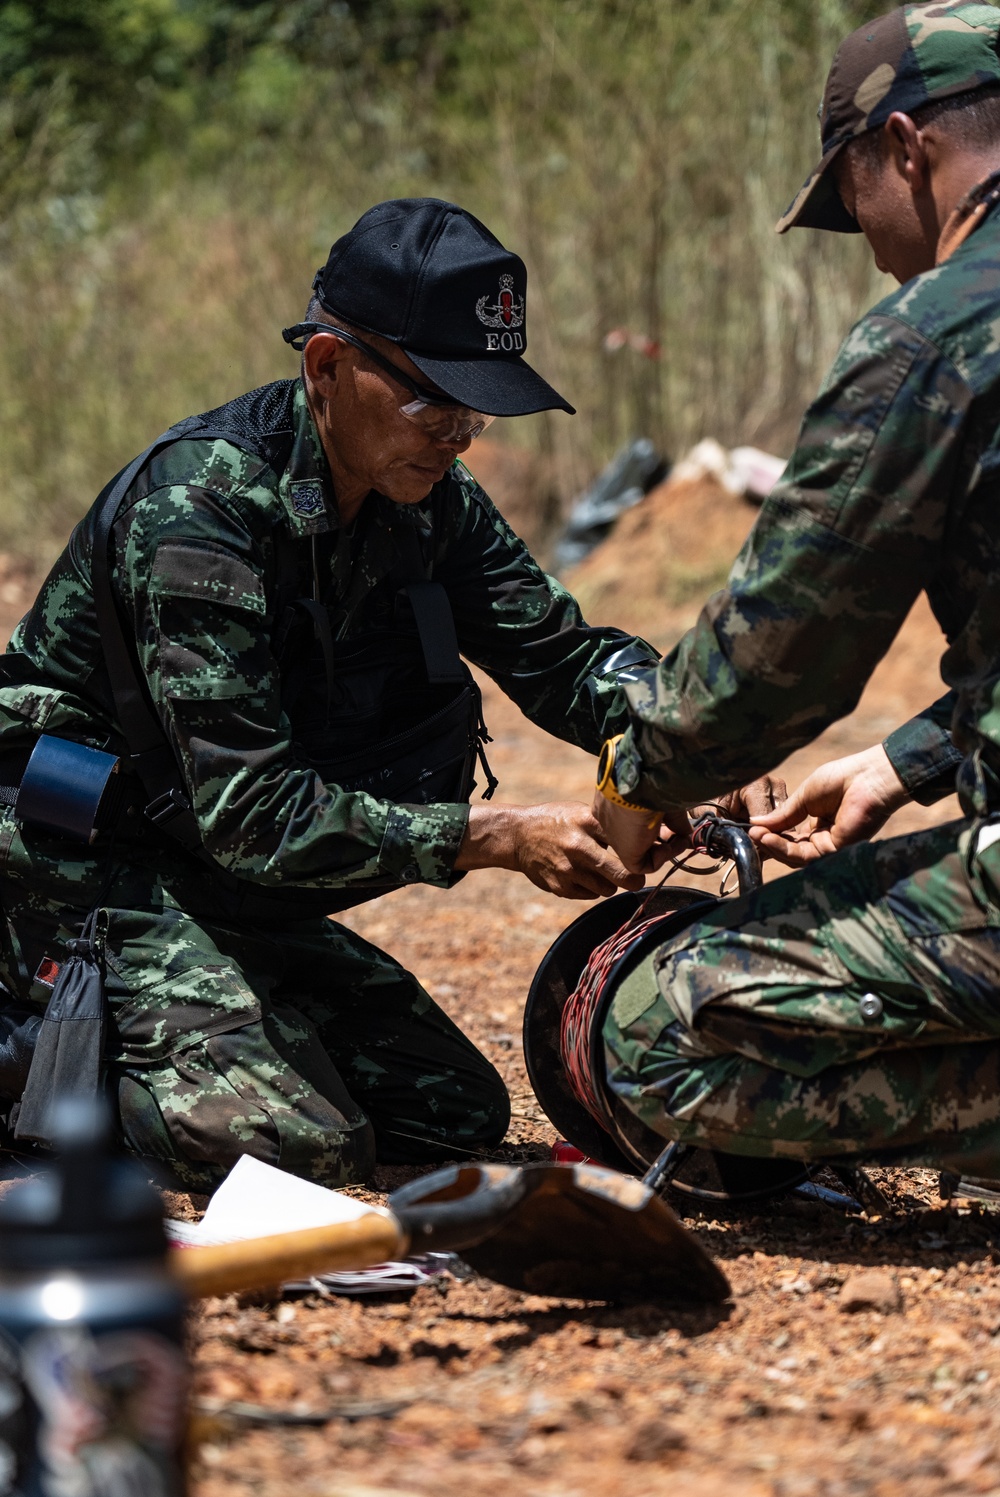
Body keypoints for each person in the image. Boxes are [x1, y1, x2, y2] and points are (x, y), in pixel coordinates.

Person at [0, 197, 671, 1190]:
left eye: (473, 409)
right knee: (288, 1148)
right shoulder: (200, 512)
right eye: (432, 401)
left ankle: (190, 1012)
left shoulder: (433, 506)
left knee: (450, 1113)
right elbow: (255, 815)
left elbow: (565, 662)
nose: (457, 436)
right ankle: (28, 1046)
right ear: (326, 367)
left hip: (216, 885)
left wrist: (696, 742)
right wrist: (492, 836)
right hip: (80, 870)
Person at [594, 2, 1000, 1180]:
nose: (866, 239)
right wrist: (908, 761)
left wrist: (636, 773)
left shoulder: (936, 336)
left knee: (651, 1033)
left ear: (907, 147)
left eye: (852, 194)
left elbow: (776, 660)